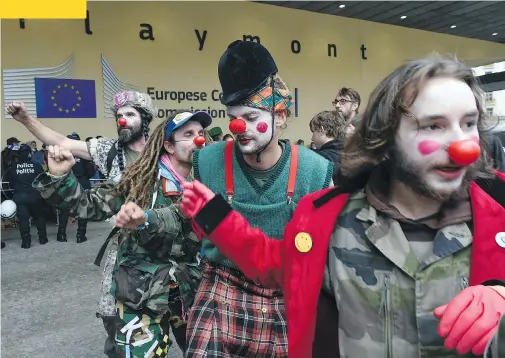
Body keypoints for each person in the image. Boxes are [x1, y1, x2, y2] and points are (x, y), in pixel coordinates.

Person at [181, 57, 505, 358]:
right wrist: (216, 217)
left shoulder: (497, 215)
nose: (462, 145)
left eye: (468, 123)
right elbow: (276, 265)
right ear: (388, 135)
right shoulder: (328, 220)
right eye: (433, 125)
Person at [185, 40, 334, 357]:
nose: (240, 127)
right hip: (221, 290)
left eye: (252, 117)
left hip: (288, 295)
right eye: (234, 117)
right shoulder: (207, 163)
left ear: (280, 115)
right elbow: (190, 226)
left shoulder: (316, 172)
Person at [33, 110, 212, 357]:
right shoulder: (140, 178)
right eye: (189, 134)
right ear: (169, 145)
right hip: (142, 293)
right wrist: (60, 176)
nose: (199, 139)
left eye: (201, 133)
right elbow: (86, 205)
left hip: (190, 288)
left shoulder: (208, 180)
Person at [5, 91, 161, 354]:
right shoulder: (110, 150)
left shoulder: (163, 150)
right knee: (120, 325)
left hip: (167, 249)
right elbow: (62, 141)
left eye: (130, 115)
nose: (122, 120)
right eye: (119, 116)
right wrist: (26, 120)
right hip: (125, 253)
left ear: (145, 119)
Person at [55, 133, 97, 243]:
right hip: (82, 184)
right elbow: (91, 172)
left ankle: (61, 235)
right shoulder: (84, 156)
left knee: (64, 210)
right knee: (83, 210)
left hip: (67, 184)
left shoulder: (62, 155)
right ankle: (80, 235)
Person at [5, 144, 47, 248]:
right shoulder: (36, 165)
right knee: (39, 217)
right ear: (29, 153)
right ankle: (42, 238)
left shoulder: (13, 167)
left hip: (19, 196)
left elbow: (10, 182)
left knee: (23, 219)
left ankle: (26, 242)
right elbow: (43, 179)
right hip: (35, 195)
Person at [310, 110, 352, 176]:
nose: (312, 138)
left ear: (321, 130)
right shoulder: (350, 154)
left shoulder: (321, 158)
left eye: (313, 132)